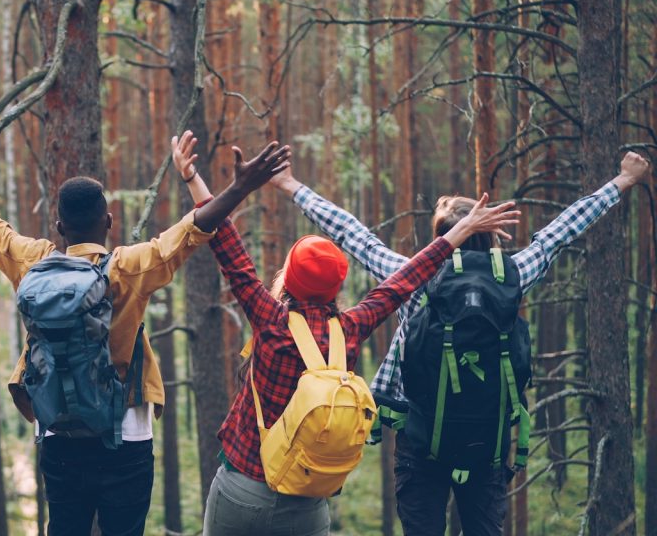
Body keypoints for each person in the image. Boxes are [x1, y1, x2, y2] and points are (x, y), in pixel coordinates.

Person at [0, 112, 291, 536]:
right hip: (126, 435)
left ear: (59, 226)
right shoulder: (129, 267)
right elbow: (193, 229)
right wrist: (240, 186)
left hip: (57, 430)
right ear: (107, 221)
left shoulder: (31, 260)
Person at [266, 151, 651, 535]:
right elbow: (560, 233)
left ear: (441, 237)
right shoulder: (513, 276)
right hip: (486, 449)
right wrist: (622, 181)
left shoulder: (414, 276)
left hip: (420, 444)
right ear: (489, 233)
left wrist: (291, 185)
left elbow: (353, 235)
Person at [171, 134, 520, 536]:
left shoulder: (270, 320)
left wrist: (193, 177)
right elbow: (408, 279)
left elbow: (228, 246)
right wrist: (457, 235)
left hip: (242, 487)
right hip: (307, 502)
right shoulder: (351, 329)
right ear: (336, 287)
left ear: (289, 277)